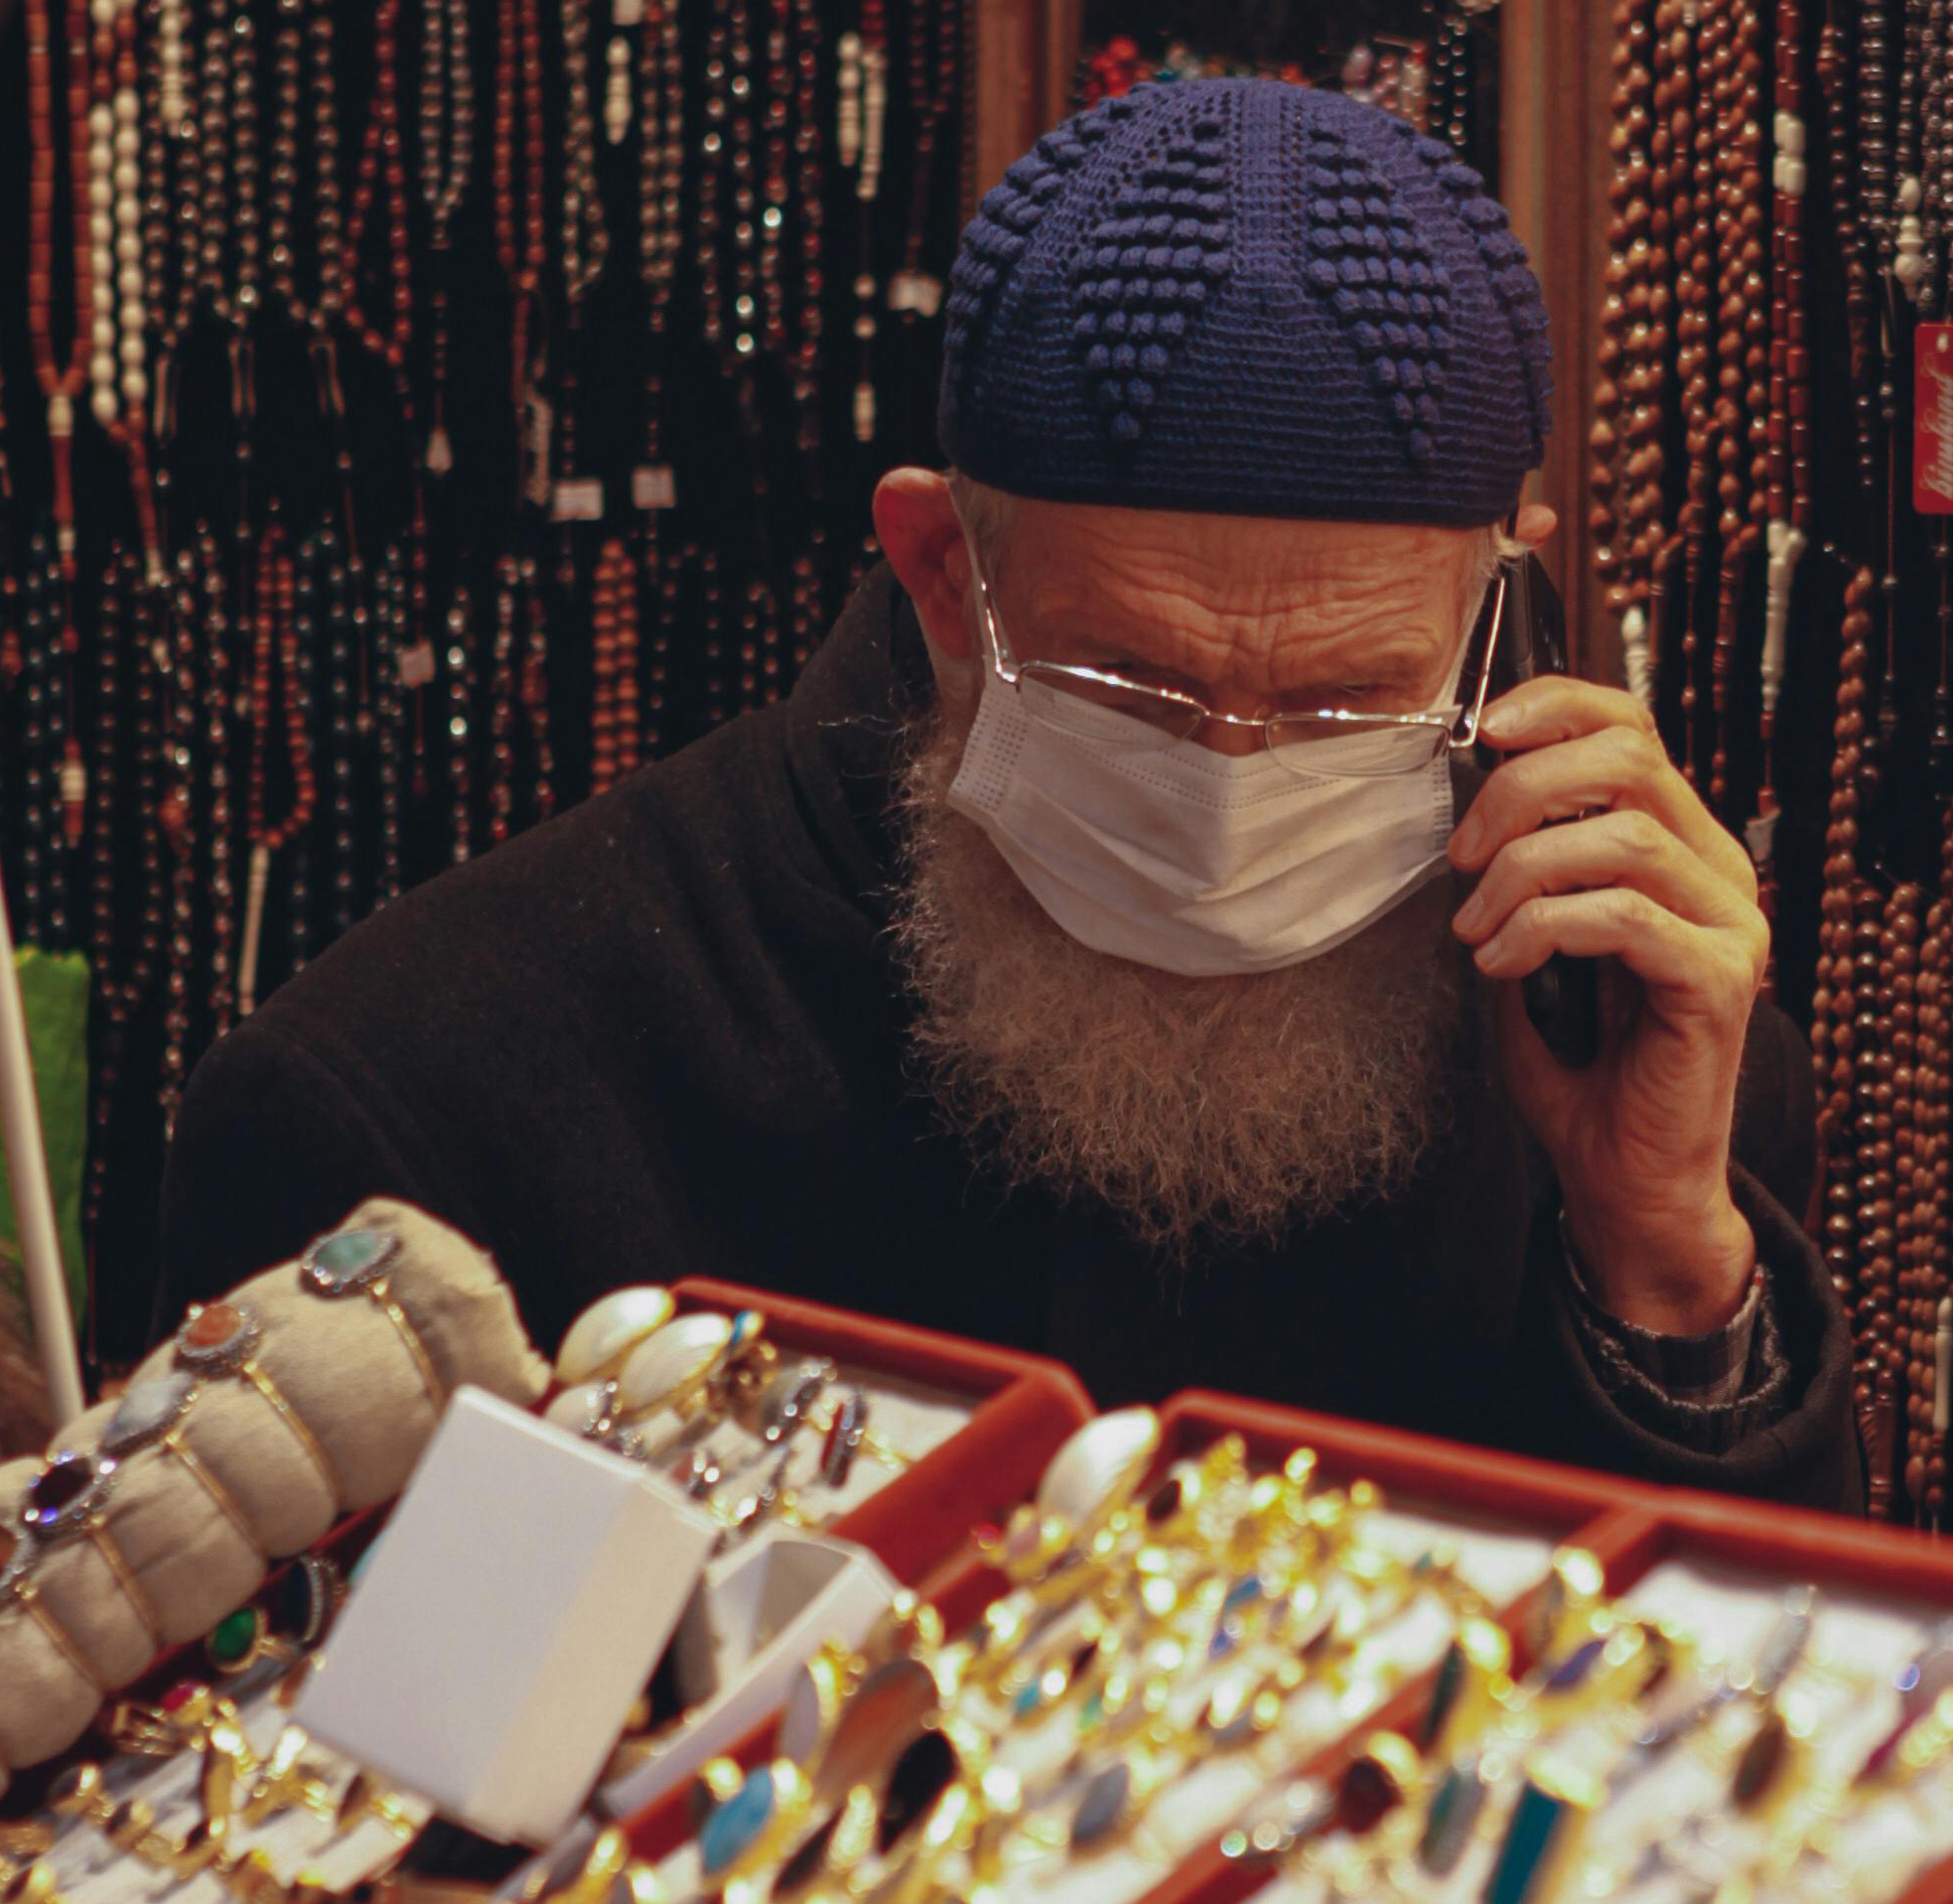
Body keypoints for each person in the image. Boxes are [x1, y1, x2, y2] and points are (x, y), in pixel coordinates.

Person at [154, 76, 1856, 1502]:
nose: (1233, 789)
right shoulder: (420, 1108)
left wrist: (1668, 1265)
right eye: (1138, 688)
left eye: (1346, 701)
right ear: (942, 574)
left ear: (1504, 604)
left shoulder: (1601, 1027)